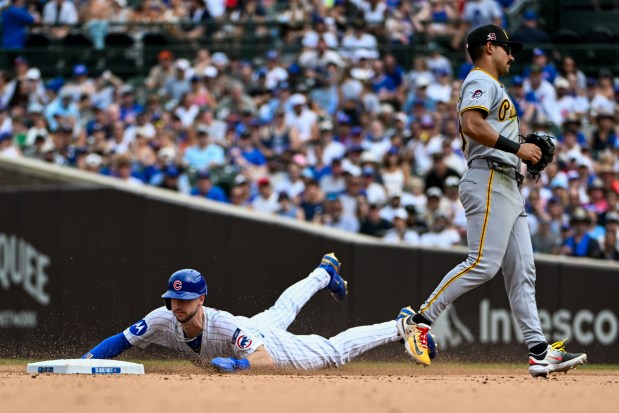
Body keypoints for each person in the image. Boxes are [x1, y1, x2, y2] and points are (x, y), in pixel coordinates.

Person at [396, 24, 587, 378]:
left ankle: (539, 351)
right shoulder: (481, 80)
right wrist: (518, 148)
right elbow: (472, 124)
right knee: (483, 262)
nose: (511, 55)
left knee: (522, 272)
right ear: (489, 47)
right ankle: (418, 321)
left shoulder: (493, 85)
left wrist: (519, 155)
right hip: (488, 177)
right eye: (506, 48)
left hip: (506, 183)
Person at [81, 254, 435, 371]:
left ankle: (401, 324)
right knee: (283, 307)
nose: (178, 305)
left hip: (258, 341)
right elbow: (121, 340)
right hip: (248, 328)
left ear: (201, 299)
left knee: (331, 353)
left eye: (186, 299)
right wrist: (86, 361)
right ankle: (324, 273)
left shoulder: (223, 325)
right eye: (174, 299)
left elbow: (263, 358)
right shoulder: (162, 319)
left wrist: (238, 365)